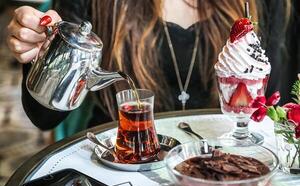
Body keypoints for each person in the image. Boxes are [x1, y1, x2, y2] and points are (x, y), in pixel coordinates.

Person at [6, 0, 293, 140]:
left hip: (221, 166)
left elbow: (269, 110)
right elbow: (44, 115)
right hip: (121, 163)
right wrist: (42, 52)